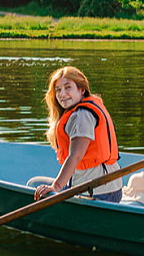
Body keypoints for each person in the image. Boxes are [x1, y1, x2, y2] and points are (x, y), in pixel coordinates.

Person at [31, 66, 123, 203]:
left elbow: (75, 156)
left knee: (32, 185)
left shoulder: (82, 116)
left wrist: (55, 187)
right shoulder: (83, 108)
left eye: (68, 87)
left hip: (98, 194)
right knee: (35, 183)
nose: (62, 94)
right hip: (109, 188)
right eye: (58, 90)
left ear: (82, 90)